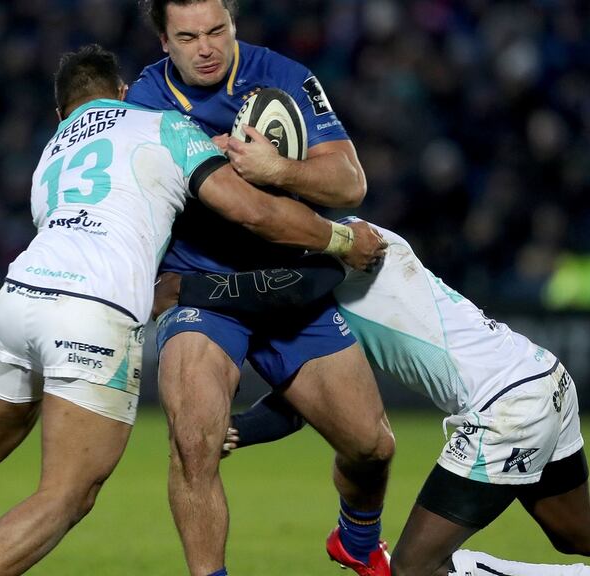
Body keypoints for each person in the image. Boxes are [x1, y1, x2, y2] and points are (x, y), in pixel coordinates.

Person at [0, 44, 386, 576]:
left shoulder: (51, 154)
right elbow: (253, 210)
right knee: (68, 491)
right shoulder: (159, 125)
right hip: (90, 312)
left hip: (21, 294)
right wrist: (341, 241)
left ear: (61, 113)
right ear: (123, 94)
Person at [156, 220, 590, 576]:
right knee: (577, 531)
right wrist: (243, 429)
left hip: (505, 408)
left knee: (415, 570)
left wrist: (188, 289)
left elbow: (293, 287)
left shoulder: (341, 252)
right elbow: (310, 400)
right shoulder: (355, 246)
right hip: (544, 378)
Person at [127, 1, 395, 575]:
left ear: (234, 24)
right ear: (164, 43)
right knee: (194, 441)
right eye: (189, 36)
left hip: (288, 288)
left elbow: (350, 185)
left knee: (372, 447)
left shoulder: (287, 78)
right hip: (203, 292)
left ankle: (357, 539)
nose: (206, 47)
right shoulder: (143, 103)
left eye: (217, 30)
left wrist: (281, 171)